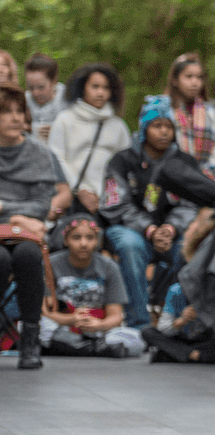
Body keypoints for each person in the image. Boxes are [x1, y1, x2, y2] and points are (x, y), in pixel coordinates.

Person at [96, 100, 196, 330]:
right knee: (130, 246)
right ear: (143, 128)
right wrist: (149, 230)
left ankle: (175, 321)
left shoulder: (185, 162)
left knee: (189, 245)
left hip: (173, 233)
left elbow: (192, 205)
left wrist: (170, 229)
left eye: (168, 126)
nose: (164, 132)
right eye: (156, 126)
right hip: (132, 230)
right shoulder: (121, 160)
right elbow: (115, 205)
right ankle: (139, 324)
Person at [0, 83, 60, 370]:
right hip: (17, 229)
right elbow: (31, 210)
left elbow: (41, 207)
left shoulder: (39, 153)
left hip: (24, 234)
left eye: (19, 111)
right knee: (0, 259)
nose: (15, 118)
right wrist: (21, 215)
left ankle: (30, 340)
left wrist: (6, 211)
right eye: (5, 112)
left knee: (28, 255)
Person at [41, 214, 139, 358]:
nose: (83, 243)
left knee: (136, 339)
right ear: (66, 240)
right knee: (34, 326)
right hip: (63, 325)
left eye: (90, 238)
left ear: (97, 241)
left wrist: (99, 325)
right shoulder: (49, 264)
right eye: (76, 238)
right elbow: (44, 312)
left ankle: (77, 347)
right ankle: (93, 348)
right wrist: (70, 320)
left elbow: (116, 316)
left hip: (97, 328)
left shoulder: (109, 266)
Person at [49, 63, 133, 215]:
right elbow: (56, 159)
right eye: (95, 86)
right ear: (82, 87)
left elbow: (126, 167)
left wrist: (111, 197)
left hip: (111, 204)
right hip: (73, 201)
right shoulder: (64, 120)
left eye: (106, 88)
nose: (100, 92)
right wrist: (80, 190)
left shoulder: (119, 126)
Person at [163, 54, 215, 183]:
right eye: (188, 76)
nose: (195, 82)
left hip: (206, 179)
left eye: (199, 77)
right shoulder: (163, 110)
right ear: (175, 80)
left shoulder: (211, 112)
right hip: (170, 178)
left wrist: (200, 176)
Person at [23, 54, 65, 144]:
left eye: (41, 87)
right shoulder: (24, 100)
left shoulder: (68, 99)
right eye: (30, 88)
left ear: (54, 82)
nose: (35, 93)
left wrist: (59, 131)